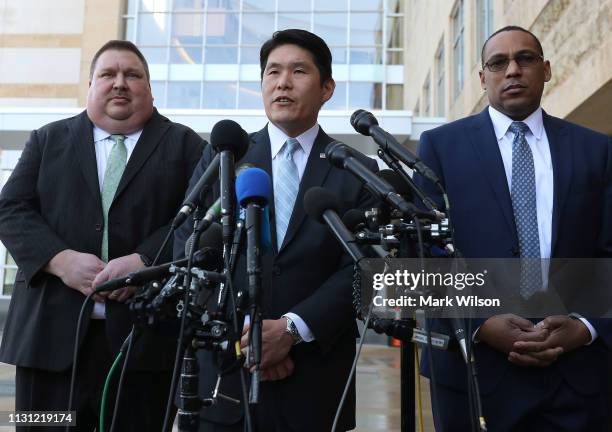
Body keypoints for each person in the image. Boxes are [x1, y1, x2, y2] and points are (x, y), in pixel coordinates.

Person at [174, 29, 378, 432]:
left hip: (316, 382)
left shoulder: (357, 171)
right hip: (226, 372)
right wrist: (247, 339)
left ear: (326, 88)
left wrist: (291, 330)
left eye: (298, 71)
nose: (282, 82)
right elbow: (190, 244)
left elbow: (366, 267)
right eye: (272, 72)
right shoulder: (223, 158)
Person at [413, 25, 612, 431]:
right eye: (498, 62)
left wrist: (585, 326)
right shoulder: (439, 148)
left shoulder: (597, 149)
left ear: (547, 69)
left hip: (577, 375)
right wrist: (481, 322)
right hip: (473, 374)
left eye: (525, 59)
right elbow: (424, 257)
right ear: (482, 78)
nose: (513, 71)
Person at [0, 40, 204, 431]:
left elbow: (200, 221)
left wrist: (146, 260)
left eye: (133, 75)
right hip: (48, 346)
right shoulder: (46, 140)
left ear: (150, 88)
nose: (120, 83)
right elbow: (10, 209)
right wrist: (60, 260)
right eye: (108, 74)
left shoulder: (186, 146)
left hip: (145, 345)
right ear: (90, 85)